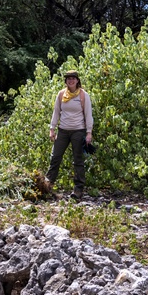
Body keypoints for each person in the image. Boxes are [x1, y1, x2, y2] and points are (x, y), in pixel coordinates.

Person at [47, 70, 93, 200]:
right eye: (68, 78)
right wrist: (52, 129)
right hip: (63, 130)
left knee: (78, 160)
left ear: (77, 80)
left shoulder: (84, 95)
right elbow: (56, 112)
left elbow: (88, 114)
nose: (71, 80)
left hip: (78, 131)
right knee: (55, 157)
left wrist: (89, 132)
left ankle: (78, 190)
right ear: (66, 81)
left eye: (73, 78)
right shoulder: (61, 94)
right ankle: (47, 185)